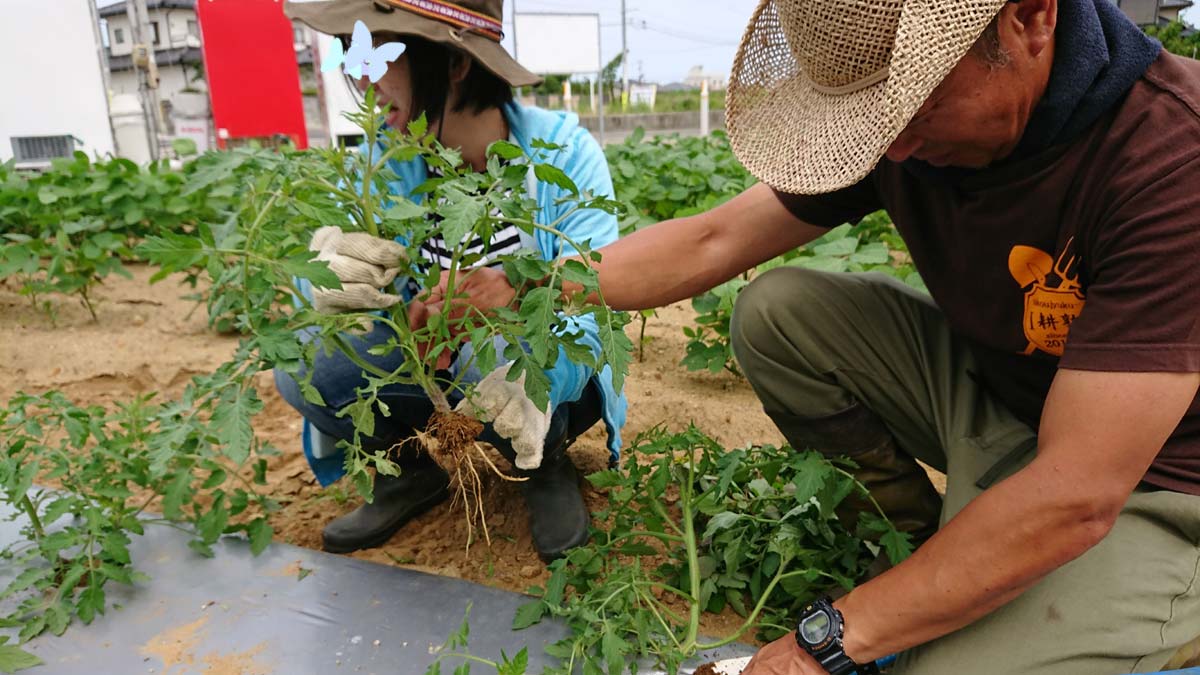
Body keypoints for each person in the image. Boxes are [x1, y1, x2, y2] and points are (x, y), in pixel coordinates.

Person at [482, 0, 1196, 672]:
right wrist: (521, 283)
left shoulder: (1170, 157)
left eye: (916, 102)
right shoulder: (904, 137)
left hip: (1157, 482)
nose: (894, 142)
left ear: (1032, 17)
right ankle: (928, 548)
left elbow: (1076, 493)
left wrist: (824, 641)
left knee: (935, 662)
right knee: (779, 315)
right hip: (1016, 404)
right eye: (873, 116)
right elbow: (712, 239)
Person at [275, 0, 626, 563]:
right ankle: (407, 474)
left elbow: (597, 294)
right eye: (353, 53)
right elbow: (331, 292)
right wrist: (329, 279)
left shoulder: (561, 154)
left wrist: (528, 348)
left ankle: (545, 459)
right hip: (435, 371)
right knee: (304, 358)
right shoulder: (384, 164)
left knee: (514, 358)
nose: (362, 82)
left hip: (537, 375)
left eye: (379, 53)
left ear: (455, 65)